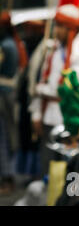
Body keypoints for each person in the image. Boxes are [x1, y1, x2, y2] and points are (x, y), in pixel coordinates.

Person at [28, 5, 79, 177]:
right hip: (48, 118)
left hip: (68, 121)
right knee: (47, 168)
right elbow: (42, 80)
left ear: (71, 29)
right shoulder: (52, 50)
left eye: (60, 26)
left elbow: (65, 90)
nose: (55, 30)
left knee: (68, 171)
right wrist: (36, 114)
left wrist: (42, 89)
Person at [0, 11, 20, 195]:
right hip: (7, 95)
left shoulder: (6, 46)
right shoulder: (10, 44)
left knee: (5, 137)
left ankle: (8, 178)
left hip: (4, 96)